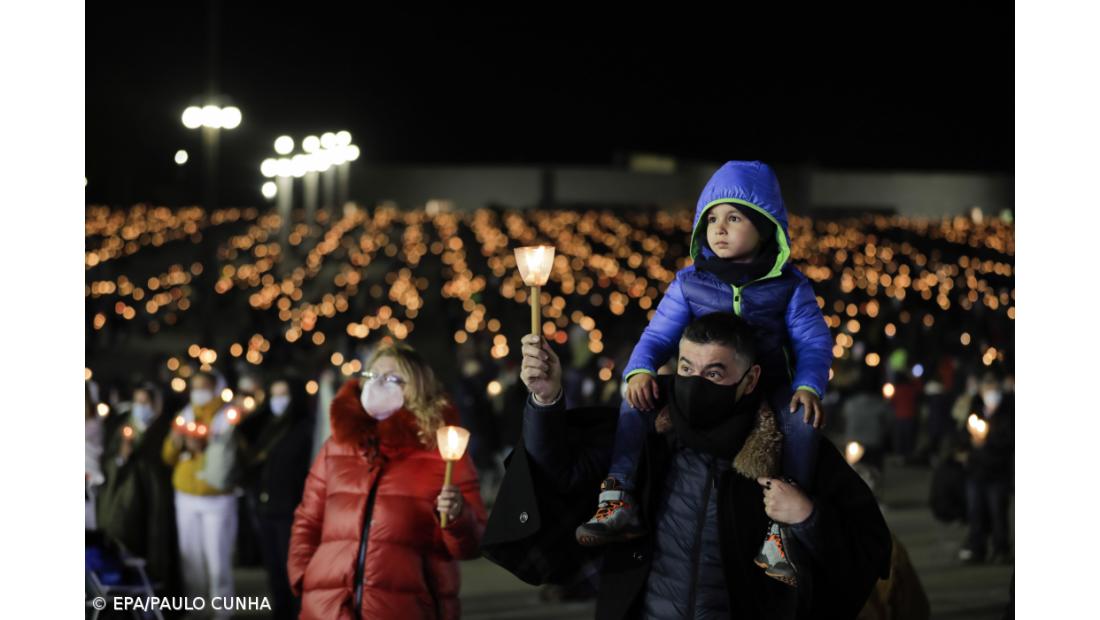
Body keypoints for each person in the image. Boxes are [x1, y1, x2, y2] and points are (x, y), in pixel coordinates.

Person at [482, 313, 891, 619]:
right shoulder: (646, 439)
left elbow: (866, 548)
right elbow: (558, 471)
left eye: (715, 373)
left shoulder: (791, 453)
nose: (695, 384)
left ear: (750, 380)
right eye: (686, 369)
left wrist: (807, 516)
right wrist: (546, 399)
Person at [579, 161, 833, 586]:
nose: (720, 228)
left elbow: (813, 342)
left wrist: (809, 386)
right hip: (698, 381)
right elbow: (657, 334)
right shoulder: (688, 283)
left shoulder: (790, 286)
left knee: (802, 425)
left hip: (766, 385)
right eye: (712, 218)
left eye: (734, 217)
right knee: (634, 401)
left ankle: (781, 530)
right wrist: (639, 370)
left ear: (766, 225)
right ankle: (617, 494)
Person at [288, 343, 487, 619]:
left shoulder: (443, 453)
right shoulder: (338, 446)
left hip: (407, 608)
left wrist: (457, 517)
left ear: (417, 388)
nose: (378, 384)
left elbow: (474, 542)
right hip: (326, 608)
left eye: (392, 379)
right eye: (372, 376)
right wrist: (304, 576)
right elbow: (308, 519)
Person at [161, 371, 240, 619]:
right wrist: (176, 443)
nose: (198, 392)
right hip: (186, 495)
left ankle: (223, 611)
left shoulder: (227, 416)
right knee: (190, 558)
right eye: (194, 387)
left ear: (216, 388)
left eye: (204, 387)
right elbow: (167, 457)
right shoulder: (185, 414)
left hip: (216, 498)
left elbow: (232, 455)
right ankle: (196, 607)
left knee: (217, 558)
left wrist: (206, 445)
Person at [237, 378, 313, 620]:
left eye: (284, 394)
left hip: (292, 507)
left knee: (292, 567)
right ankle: (281, 612)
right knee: (274, 567)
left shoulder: (304, 427)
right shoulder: (267, 424)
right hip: (266, 506)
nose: (278, 400)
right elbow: (245, 434)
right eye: (274, 394)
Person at [96, 383, 180, 596]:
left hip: (155, 498)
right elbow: (111, 462)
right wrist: (122, 455)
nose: (141, 407)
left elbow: (167, 463)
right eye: (137, 402)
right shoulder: (123, 427)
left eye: (145, 402)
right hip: (127, 499)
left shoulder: (164, 428)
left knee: (156, 544)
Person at [958, 370, 1014, 564]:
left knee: (998, 512)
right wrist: (970, 443)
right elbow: (962, 436)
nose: (991, 392)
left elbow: (1009, 440)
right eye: (987, 388)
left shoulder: (1008, 412)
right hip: (976, 471)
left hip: (997, 472)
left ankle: (1001, 549)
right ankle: (977, 548)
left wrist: (987, 441)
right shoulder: (975, 411)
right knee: (976, 512)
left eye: (994, 388)